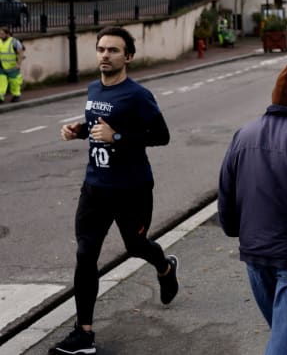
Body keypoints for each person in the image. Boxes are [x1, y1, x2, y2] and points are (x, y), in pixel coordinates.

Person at [51, 26, 177, 355]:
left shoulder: (138, 95)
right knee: (85, 255)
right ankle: (84, 334)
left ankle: (165, 267)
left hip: (132, 189)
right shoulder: (94, 89)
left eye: (113, 50)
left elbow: (162, 136)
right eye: (101, 49)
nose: (105, 55)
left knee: (135, 246)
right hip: (95, 188)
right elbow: (98, 130)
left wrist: (118, 138)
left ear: (128, 57)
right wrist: (78, 131)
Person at [218, 64, 287, 355]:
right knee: (283, 339)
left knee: (286, 327)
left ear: (274, 97)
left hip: (254, 253)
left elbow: (226, 192)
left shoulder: (243, 134)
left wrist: (236, 231)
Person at [0, 24, 25, 103]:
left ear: (7, 34)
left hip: (13, 67)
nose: (0, 35)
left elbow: (20, 53)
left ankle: (16, 96)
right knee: (1, 83)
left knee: (14, 83)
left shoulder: (14, 42)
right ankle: (0, 97)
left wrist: (19, 64)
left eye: (2, 34)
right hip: (2, 67)